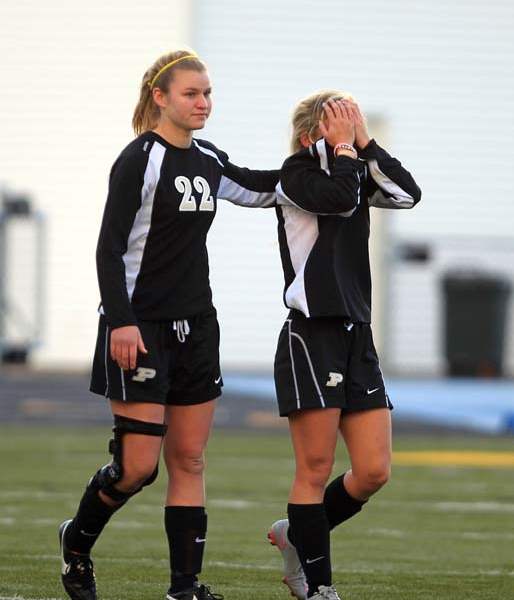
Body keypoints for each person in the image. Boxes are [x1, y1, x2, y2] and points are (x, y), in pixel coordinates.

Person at [58, 49, 279, 600]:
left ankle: (185, 587)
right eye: (191, 93)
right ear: (161, 97)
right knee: (136, 469)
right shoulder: (139, 159)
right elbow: (109, 251)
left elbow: (261, 188)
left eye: (207, 94)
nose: (203, 103)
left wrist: (326, 164)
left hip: (198, 327)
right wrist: (121, 324)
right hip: (141, 329)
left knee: (190, 459)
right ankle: (77, 546)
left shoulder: (207, 158)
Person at [265, 91, 421, 600]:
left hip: (356, 333)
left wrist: (367, 145)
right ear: (315, 135)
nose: (351, 132)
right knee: (314, 468)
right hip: (313, 335)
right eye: (342, 123)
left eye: (355, 123)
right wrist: (348, 155)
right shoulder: (297, 175)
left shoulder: (353, 172)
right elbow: (337, 199)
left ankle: (297, 535)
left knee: (374, 470)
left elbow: (405, 194)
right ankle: (318, 586)